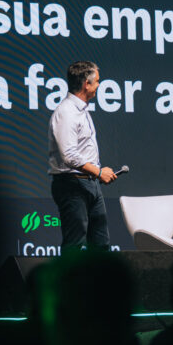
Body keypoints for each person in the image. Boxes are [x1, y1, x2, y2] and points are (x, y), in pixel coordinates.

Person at [48, 61, 117, 252]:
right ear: (87, 84)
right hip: (72, 184)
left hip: (90, 183)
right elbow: (69, 155)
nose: (99, 85)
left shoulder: (82, 110)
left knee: (101, 245)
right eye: (97, 81)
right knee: (75, 245)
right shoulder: (66, 112)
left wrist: (97, 173)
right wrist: (99, 172)